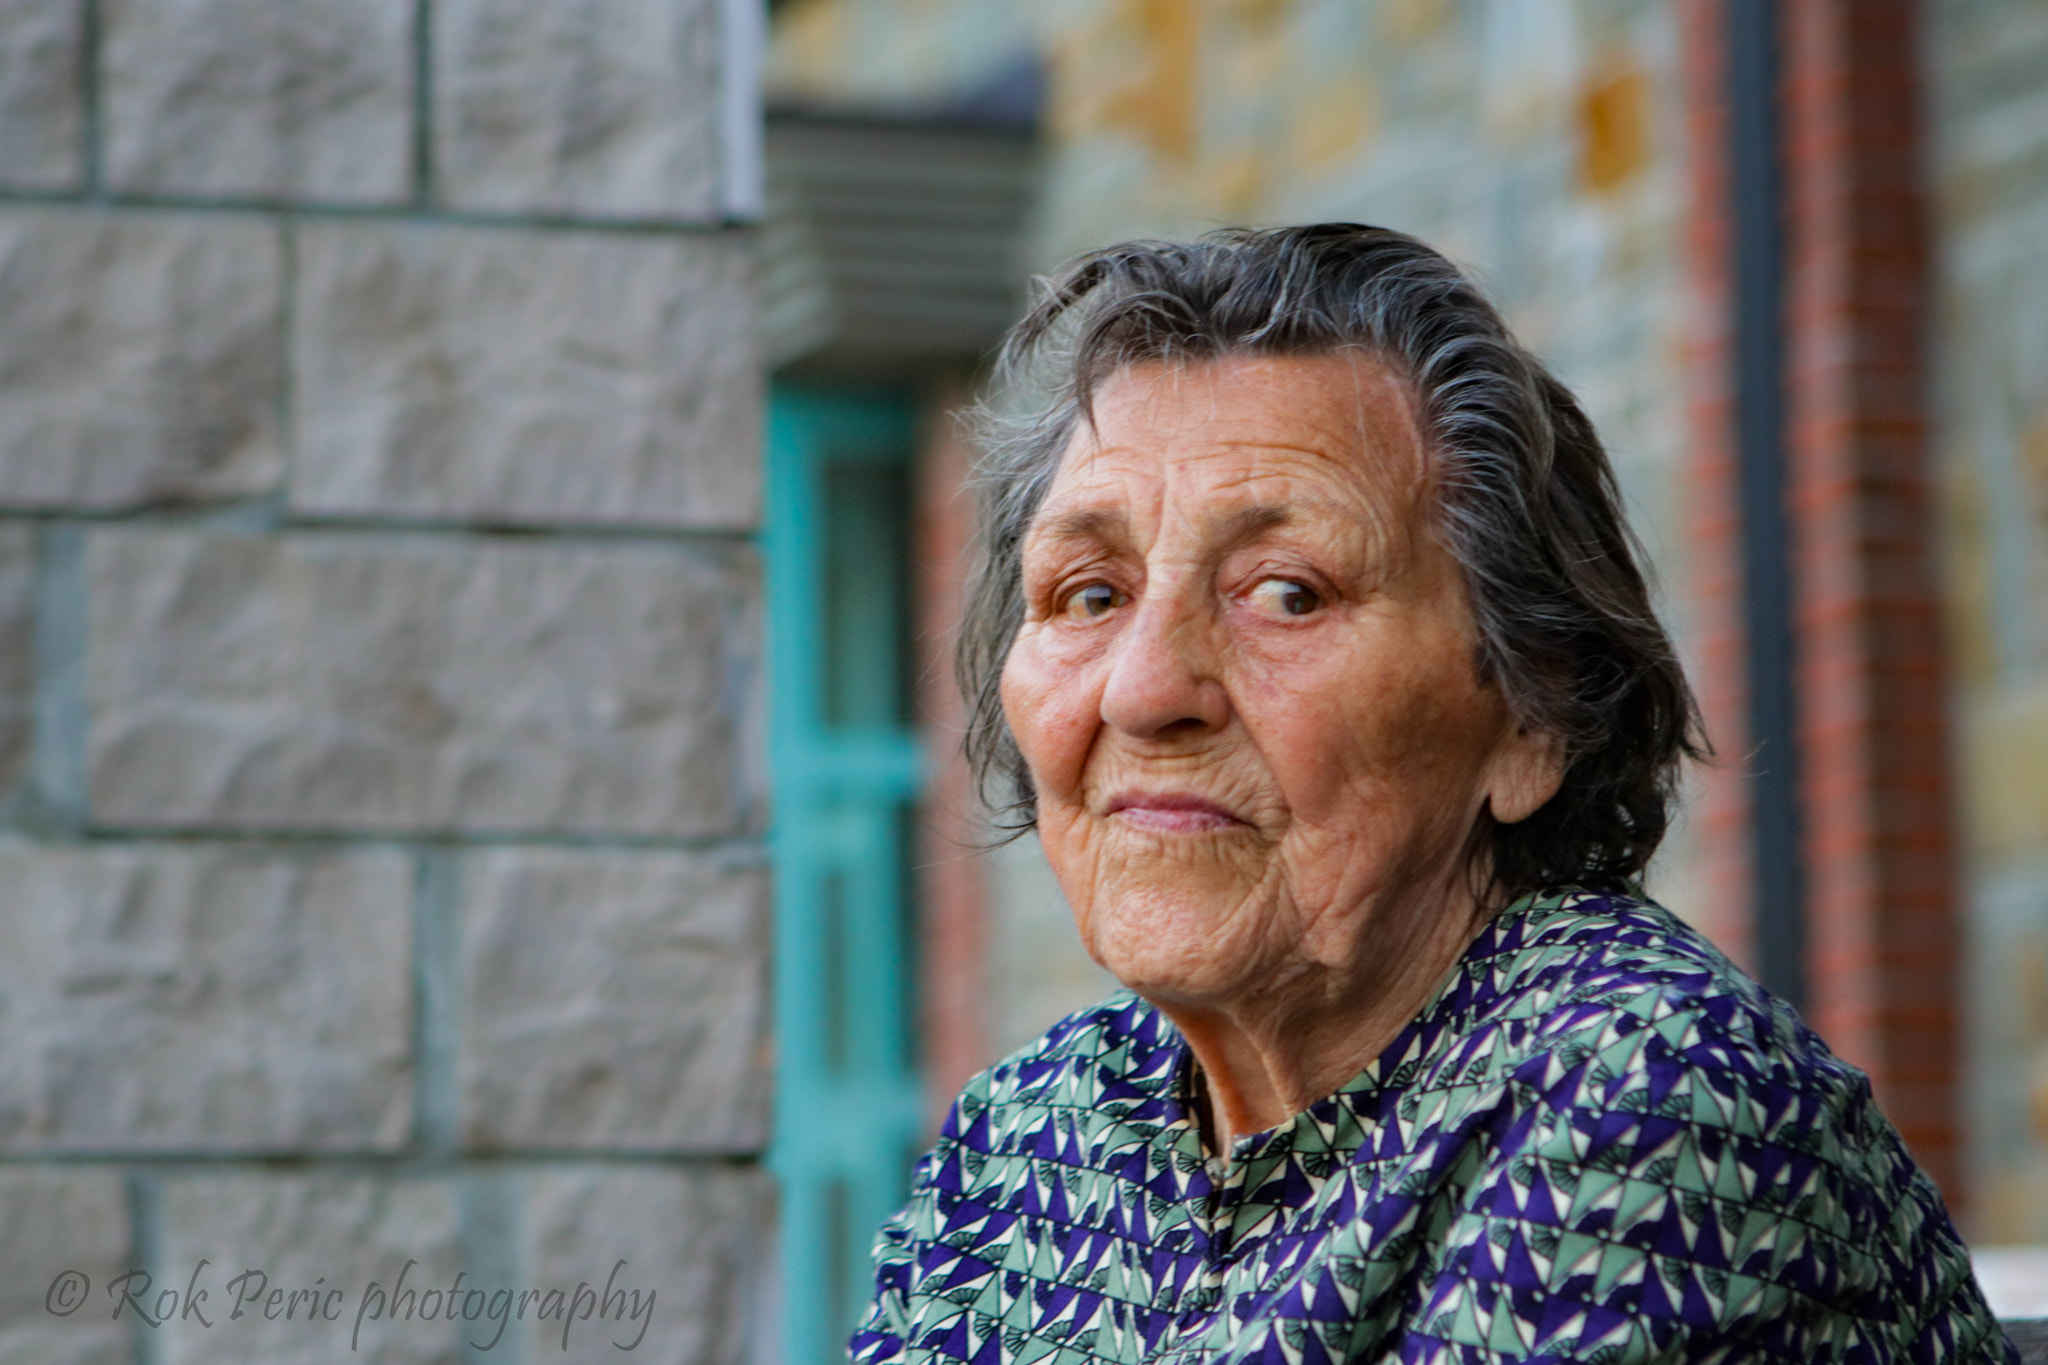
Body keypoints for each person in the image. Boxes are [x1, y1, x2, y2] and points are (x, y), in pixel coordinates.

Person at [850, 225, 2015, 1364]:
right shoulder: (1031, 1130)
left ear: (1530, 715)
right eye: (1089, 595)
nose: (1146, 690)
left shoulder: (1640, 1090)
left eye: (1286, 594)